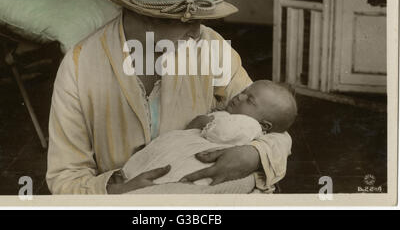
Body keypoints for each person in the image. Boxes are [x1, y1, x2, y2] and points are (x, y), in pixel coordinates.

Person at [46, 0, 292, 194]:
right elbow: (65, 175)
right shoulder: (80, 67)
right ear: (144, 16)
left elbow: (272, 124)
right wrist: (115, 192)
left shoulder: (211, 46)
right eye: (189, 22)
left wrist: (253, 154)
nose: (198, 33)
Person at [121, 80, 297, 192]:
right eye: (244, 91)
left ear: (265, 125)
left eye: (249, 100)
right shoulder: (238, 115)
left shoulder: (248, 124)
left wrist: (254, 153)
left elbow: (222, 132)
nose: (239, 96)